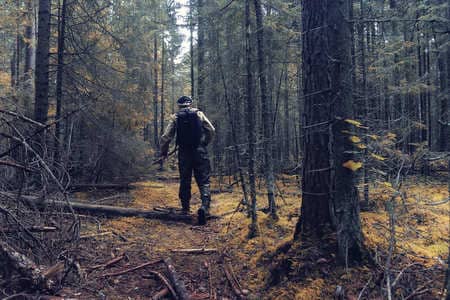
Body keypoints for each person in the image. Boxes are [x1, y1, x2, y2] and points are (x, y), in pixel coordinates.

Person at [159, 96, 215, 225]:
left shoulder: (176, 117)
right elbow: (211, 130)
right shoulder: (199, 114)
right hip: (199, 151)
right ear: (190, 104)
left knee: (185, 179)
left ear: (179, 105)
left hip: (184, 153)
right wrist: (204, 143)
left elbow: (166, 137)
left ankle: (185, 209)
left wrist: (164, 152)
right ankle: (204, 208)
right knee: (204, 180)